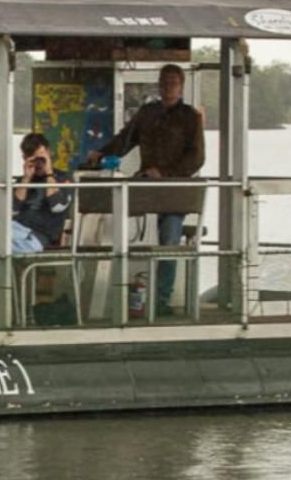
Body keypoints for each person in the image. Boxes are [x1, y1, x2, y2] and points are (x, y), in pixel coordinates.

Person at [82, 63, 204, 311]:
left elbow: (197, 157)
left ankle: (161, 300)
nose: (167, 86)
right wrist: (100, 154)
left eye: (173, 82)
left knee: (169, 239)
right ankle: (116, 295)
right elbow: (124, 140)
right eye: (164, 81)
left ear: (181, 86)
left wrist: (165, 173)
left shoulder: (190, 117)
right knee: (118, 229)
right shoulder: (147, 113)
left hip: (174, 190)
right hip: (146, 187)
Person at [0, 134, 72, 254]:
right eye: (33, 159)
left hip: (36, 236)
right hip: (16, 230)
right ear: (25, 158)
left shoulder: (63, 178)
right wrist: (26, 178)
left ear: (49, 153)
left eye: (41, 158)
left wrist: (49, 173)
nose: (39, 163)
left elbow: (57, 206)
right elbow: (12, 210)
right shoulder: (24, 181)